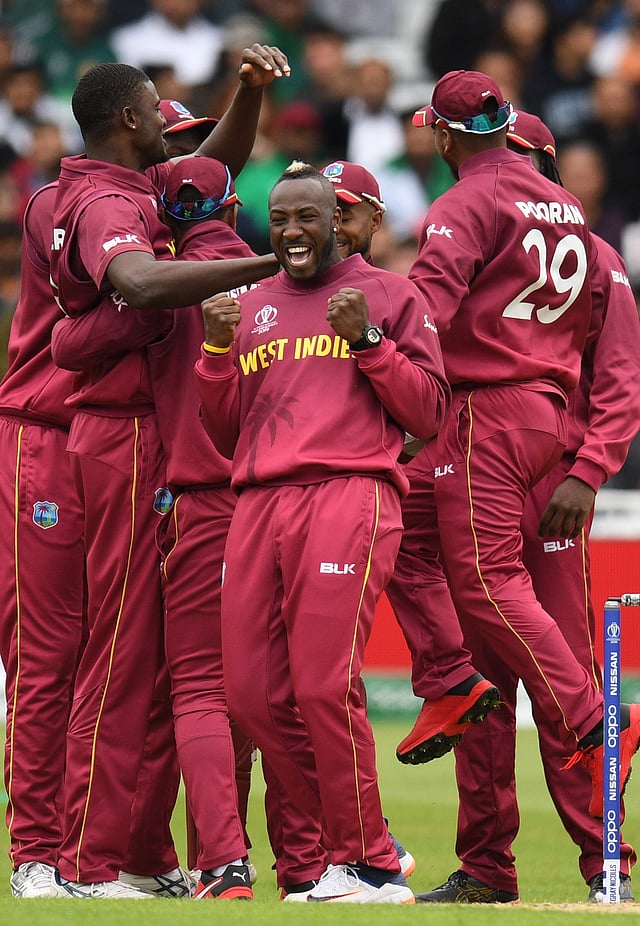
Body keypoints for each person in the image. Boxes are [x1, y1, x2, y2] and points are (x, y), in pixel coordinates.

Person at [46, 46, 290, 899]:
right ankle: (80, 862)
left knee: (150, 669)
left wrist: (248, 92)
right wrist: (275, 272)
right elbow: (142, 284)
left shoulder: (142, 187)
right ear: (131, 121)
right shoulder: (111, 199)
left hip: (152, 443)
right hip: (126, 442)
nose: (170, 129)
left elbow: (221, 162)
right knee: (116, 655)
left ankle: (138, 859)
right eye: (158, 112)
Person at [193, 160, 450, 903]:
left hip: (349, 492)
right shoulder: (250, 305)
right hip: (258, 501)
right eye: (280, 220)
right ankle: (366, 842)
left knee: (320, 683)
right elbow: (223, 430)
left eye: (309, 218)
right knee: (248, 694)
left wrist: (369, 340)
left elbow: (430, 413)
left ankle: (365, 864)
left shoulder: (391, 296)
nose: (294, 232)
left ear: (338, 223)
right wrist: (214, 353)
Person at [390, 68, 640, 808]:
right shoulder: (568, 217)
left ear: (447, 134)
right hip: (531, 426)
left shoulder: (471, 203)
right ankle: (454, 691)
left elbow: (425, 312)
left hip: (497, 428)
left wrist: (369, 352)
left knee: (493, 591)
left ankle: (601, 773)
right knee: (412, 541)